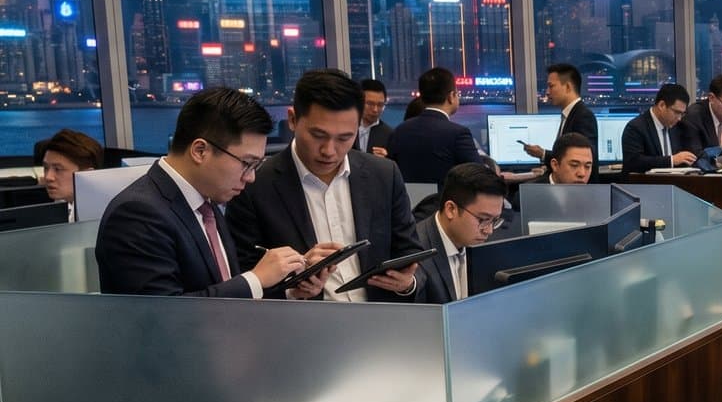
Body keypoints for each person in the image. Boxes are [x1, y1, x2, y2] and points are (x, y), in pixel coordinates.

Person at [95, 87, 326, 299]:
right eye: (246, 163)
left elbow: (221, 289)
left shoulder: (207, 201)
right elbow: (162, 315)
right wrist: (254, 280)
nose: (251, 177)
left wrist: (290, 291)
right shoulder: (137, 214)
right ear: (200, 150)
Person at [227, 69, 427, 303]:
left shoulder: (383, 174)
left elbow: (412, 258)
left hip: (380, 322)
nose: (329, 151)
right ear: (292, 119)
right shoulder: (255, 185)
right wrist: (293, 286)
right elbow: (243, 278)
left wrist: (407, 284)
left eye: (344, 138)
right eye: (318, 135)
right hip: (303, 327)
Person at [413, 162, 507, 303]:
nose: (489, 230)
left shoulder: (485, 246)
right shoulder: (415, 251)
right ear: (451, 209)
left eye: (494, 220)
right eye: (483, 219)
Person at [385, 67, 488, 188]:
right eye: (457, 94)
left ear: (422, 97)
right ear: (451, 97)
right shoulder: (458, 134)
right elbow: (481, 176)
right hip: (445, 204)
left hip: (408, 204)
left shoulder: (399, 131)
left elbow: (391, 175)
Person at [521, 63, 597, 162]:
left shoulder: (583, 116)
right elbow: (565, 158)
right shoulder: (569, 115)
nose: (547, 92)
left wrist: (543, 154)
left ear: (568, 87)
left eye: (551, 86)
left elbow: (581, 161)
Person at [622, 84, 699, 171]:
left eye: (682, 113)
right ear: (662, 105)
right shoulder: (636, 127)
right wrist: (671, 160)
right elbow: (633, 162)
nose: (679, 118)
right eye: (677, 112)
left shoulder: (680, 128)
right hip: (649, 183)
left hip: (677, 182)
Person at [34, 128, 105, 221]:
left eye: (58, 169)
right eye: (46, 168)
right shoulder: (60, 203)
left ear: (87, 174)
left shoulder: (99, 218)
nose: (48, 177)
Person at [357, 79, 392, 156]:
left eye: (380, 105)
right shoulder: (347, 128)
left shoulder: (390, 135)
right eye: (370, 104)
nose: (375, 110)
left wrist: (387, 160)